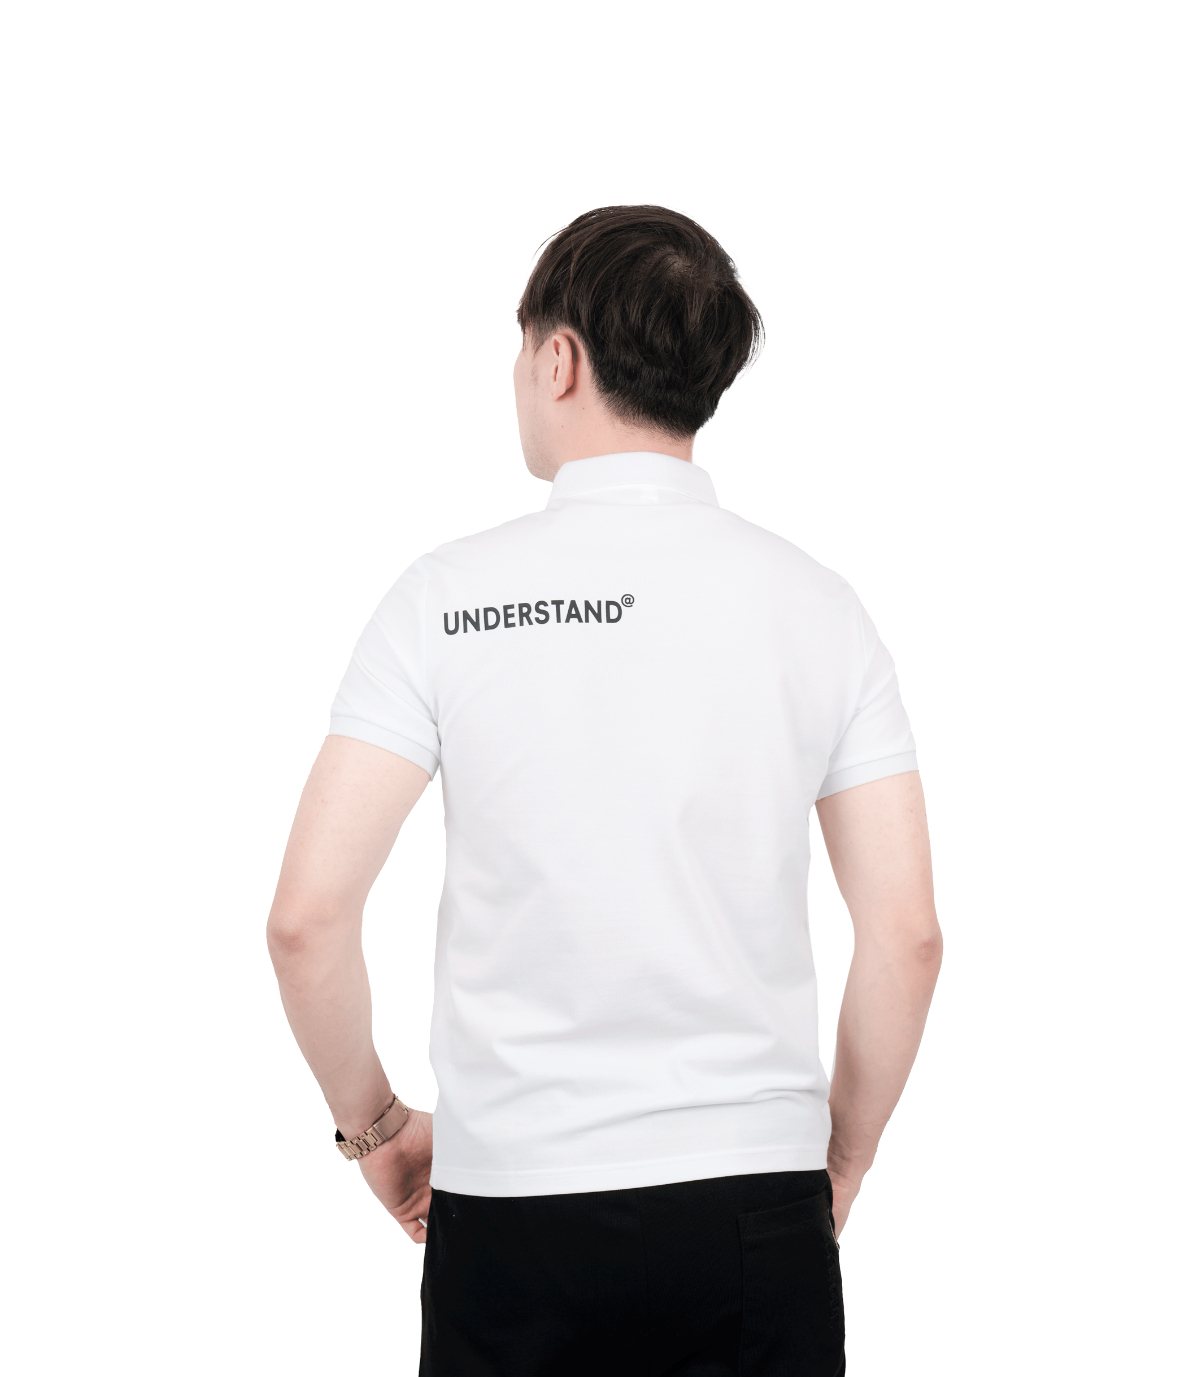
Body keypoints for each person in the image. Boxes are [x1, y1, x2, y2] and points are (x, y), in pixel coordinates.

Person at [267, 205, 942, 1376]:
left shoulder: (445, 598)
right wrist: (841, 1160)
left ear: (559, 359)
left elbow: (305, 921)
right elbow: (908, 936)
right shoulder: (818, 607)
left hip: (513, 1205)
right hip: (756, 1205)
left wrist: (375, 1128)